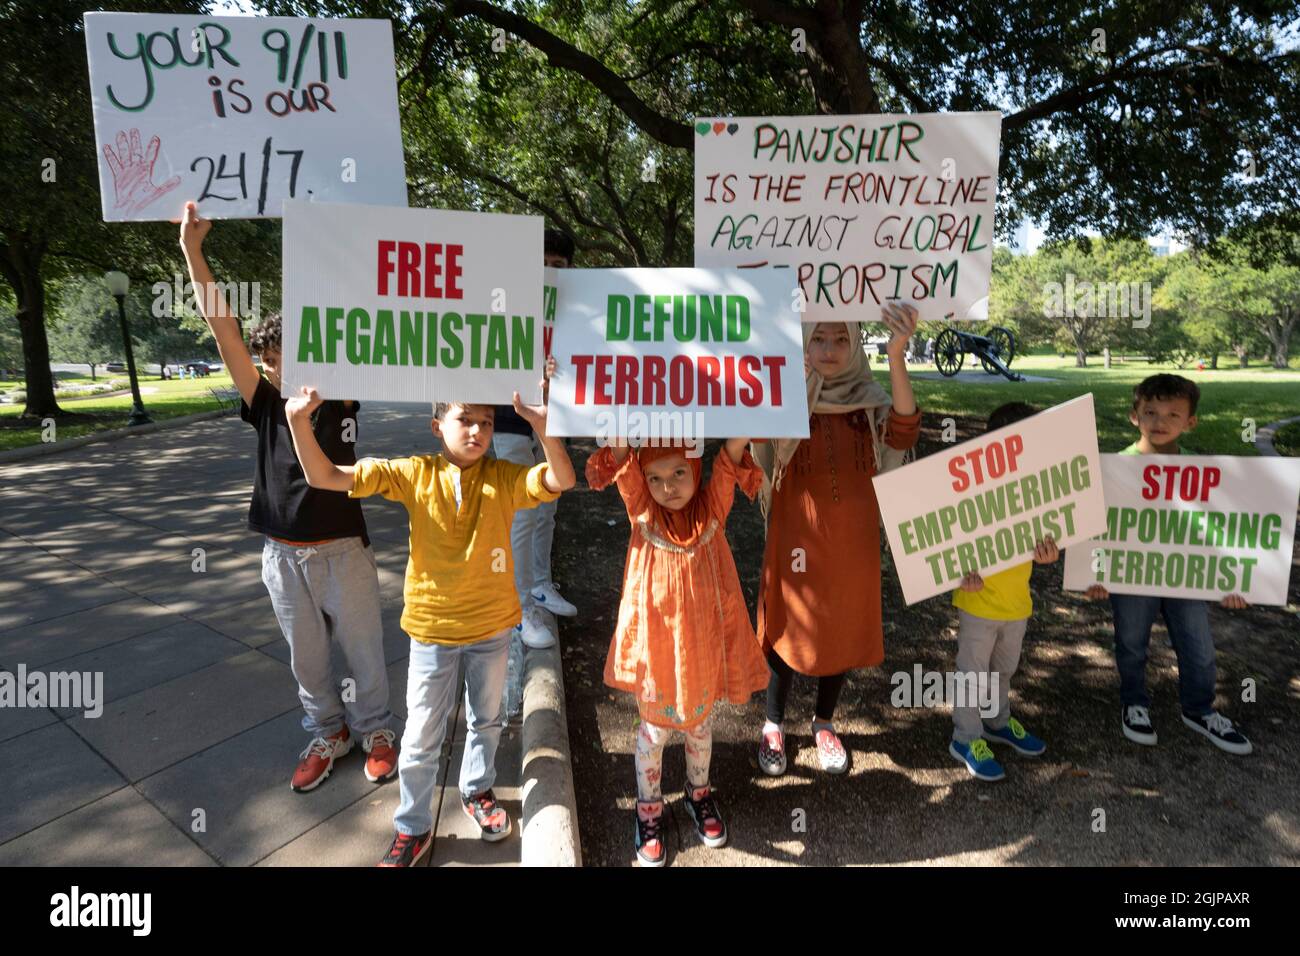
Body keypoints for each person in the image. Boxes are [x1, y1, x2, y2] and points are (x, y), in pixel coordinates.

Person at [284, 386, 577, 867]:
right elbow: (325, 476)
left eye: (486, 421)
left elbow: (560, 479)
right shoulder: (413, 473)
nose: (479, 430)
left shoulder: (505, 477)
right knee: (421, 735)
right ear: (437, 425)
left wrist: (542, 425)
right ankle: (413, 827)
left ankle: (477, 789)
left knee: (487, 721)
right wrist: (298, 422)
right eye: (466, 419)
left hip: (493, 630)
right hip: (432, 631)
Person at [179, 200, 396, 793]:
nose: (277, 372)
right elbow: (224, 330)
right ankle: (330, 731)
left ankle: (377, 731)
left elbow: (364, 312)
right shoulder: (266, 401)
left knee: (366, 653)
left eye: (285, 360)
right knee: (308, 661)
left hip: (343, 551)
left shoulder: (345, 391)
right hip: (281, 554)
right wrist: (193, 252)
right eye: (270, 363)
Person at [752, 305, 922, 776]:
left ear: (854, 345)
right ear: (803, 342)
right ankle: (773, 724)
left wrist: (896, 355)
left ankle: (824, 723)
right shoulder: (783, 397)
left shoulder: (868, 399)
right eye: (818, 339)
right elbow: (755, 444)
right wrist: (782, 382)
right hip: (795, 539)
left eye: (840, 340)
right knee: (786, 630)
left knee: (842, 627)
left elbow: (904, 432)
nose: (828, 350)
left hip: (854, 541)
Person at [586, 437, 768, 867]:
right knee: (653, 733)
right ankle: (648, 808)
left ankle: (698, 794)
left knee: (700, 728)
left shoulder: (711, 511)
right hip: (657, 653)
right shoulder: (642, 510)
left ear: (695, 470)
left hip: (700, 650)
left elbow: (730, 457)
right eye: (655, 477)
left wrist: (749, 415)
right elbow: (624, 458)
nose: (667, 486)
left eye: (678, 474)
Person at [1084, 374, 1252, 755]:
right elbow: (1097, 527)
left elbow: (1221, 531)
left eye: (1173, 414)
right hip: (1130, 576)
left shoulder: (1207, 475)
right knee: (1130, 642)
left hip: (1186, 575)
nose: (1160, 421)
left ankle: (1199, 709)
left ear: (1190, 422)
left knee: (1198, 645)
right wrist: (1095, 573)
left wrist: (1237, 580)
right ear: (1134, 416)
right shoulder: (1113, 469)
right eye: (1150, 412)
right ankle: (1135, 703)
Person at [948, 402, 1057, 781]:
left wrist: (1049, 555)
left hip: (1017, 604)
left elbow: (1047, 538)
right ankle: (966, 737)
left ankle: (997, 721)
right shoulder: (971, 491)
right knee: (972, 674)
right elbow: (942, 544)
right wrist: (958, 575)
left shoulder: (1037, 491)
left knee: (1003, 671)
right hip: (978, 603)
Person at [492, 229, 578, 652]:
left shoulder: (573, 308)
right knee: (522, 515)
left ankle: (541, 585)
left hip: (552, 415)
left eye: (559, 265)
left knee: (549, 505)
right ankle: (518, 607)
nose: (550, 271)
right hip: (509, 416)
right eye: (543, 262)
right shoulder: (506, 300)